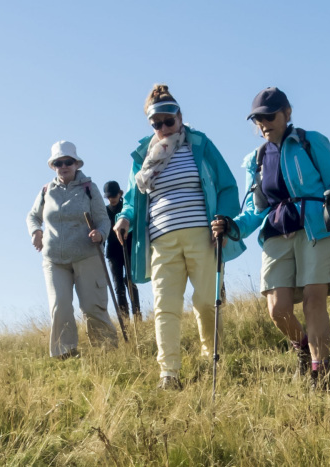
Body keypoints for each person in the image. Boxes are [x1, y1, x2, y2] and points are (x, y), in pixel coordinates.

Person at [212, 87, 330, 389]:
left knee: (315, 300)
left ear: (287, 113)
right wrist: (232, 226)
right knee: (278, 310)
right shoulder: (256, 160)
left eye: (270, 116)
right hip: (276, 231)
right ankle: (303, 349)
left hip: (317, 225)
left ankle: (321, 371)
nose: (264, 123)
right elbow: (254, 209)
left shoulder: (310, 142)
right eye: (258, 119)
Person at [114, 84, 243, 390]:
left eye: (168, 121)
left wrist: (223, 218)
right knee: (165, 306)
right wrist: (124, 217)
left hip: (202, 235)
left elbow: (226, 185)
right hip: (161, 240)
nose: (163, 128)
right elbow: (133, 197)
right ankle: (168, 374)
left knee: (205, 300)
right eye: (155, 124)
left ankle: (213, 357)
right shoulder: (143, 154)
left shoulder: (199, 143)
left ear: (180, 116)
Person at [27, 140, 119, 359]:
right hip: (54, 260)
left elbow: (103, 220)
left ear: (76, 164)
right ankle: (64, 354)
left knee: (92, 307)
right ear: (53, 166)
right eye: (58, 162)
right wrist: (35, 232)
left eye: (68, 161)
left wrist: (101, 234)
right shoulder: (46, 191)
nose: (63, 166)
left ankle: (106, 352)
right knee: (60, 307)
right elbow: (32, 216)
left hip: (87, 255)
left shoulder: (89, 188)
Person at [104, 180, 140, 318]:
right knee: (118, 286)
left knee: (130, 281)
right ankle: (124, 320)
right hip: (113, 253)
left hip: (129, 249)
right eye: (108, 196)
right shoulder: (105, 211)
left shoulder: (127, 209)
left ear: (120, 194)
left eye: (113, 195)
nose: (111, 199)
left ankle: (137, 315)